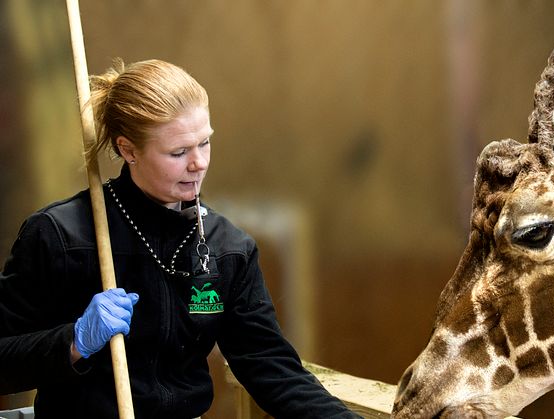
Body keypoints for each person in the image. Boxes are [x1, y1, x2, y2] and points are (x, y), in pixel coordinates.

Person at [0, 58, 361, 419]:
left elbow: (271, 368)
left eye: (205, 143)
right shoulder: (60, 236)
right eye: (179, 152)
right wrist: (74, 342)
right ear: (128, 150)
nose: (198, 163)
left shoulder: (227, 248)